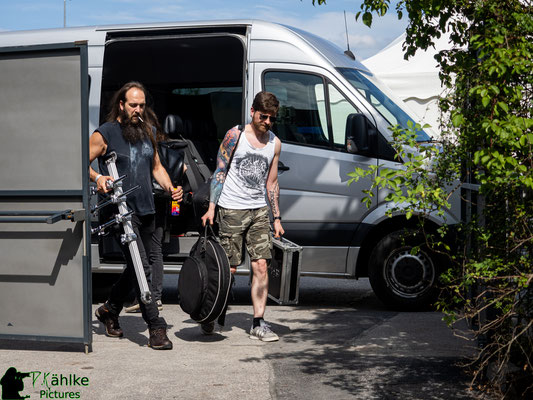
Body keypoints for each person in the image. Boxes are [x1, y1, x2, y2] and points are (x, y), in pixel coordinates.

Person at [89, 81, 183, 350]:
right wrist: (98, 177)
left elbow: (156, 166)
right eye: (133, 105)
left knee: (138, 266)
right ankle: (156, 327)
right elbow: (80, 162)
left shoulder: (148, 131)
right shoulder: (105, 133)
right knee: (141, 266)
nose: (138, 110)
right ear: (121, 104)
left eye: (142, 105)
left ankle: (110, 309)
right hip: (121, 212)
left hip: (147, 208)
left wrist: (171, 187)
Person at [201, 91, 284, 342]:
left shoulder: (274, 143)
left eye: (272, 118)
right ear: (252, 112)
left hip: (259, 210)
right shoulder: (234, 135)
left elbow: (272, 183)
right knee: (231, 268)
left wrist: (277, 218)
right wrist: (212, 207)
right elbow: (220, 172)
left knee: (261, 264)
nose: (267, 122)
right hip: (232, 208)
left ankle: (258, 322)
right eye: (263, 116)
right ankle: (212, 313)